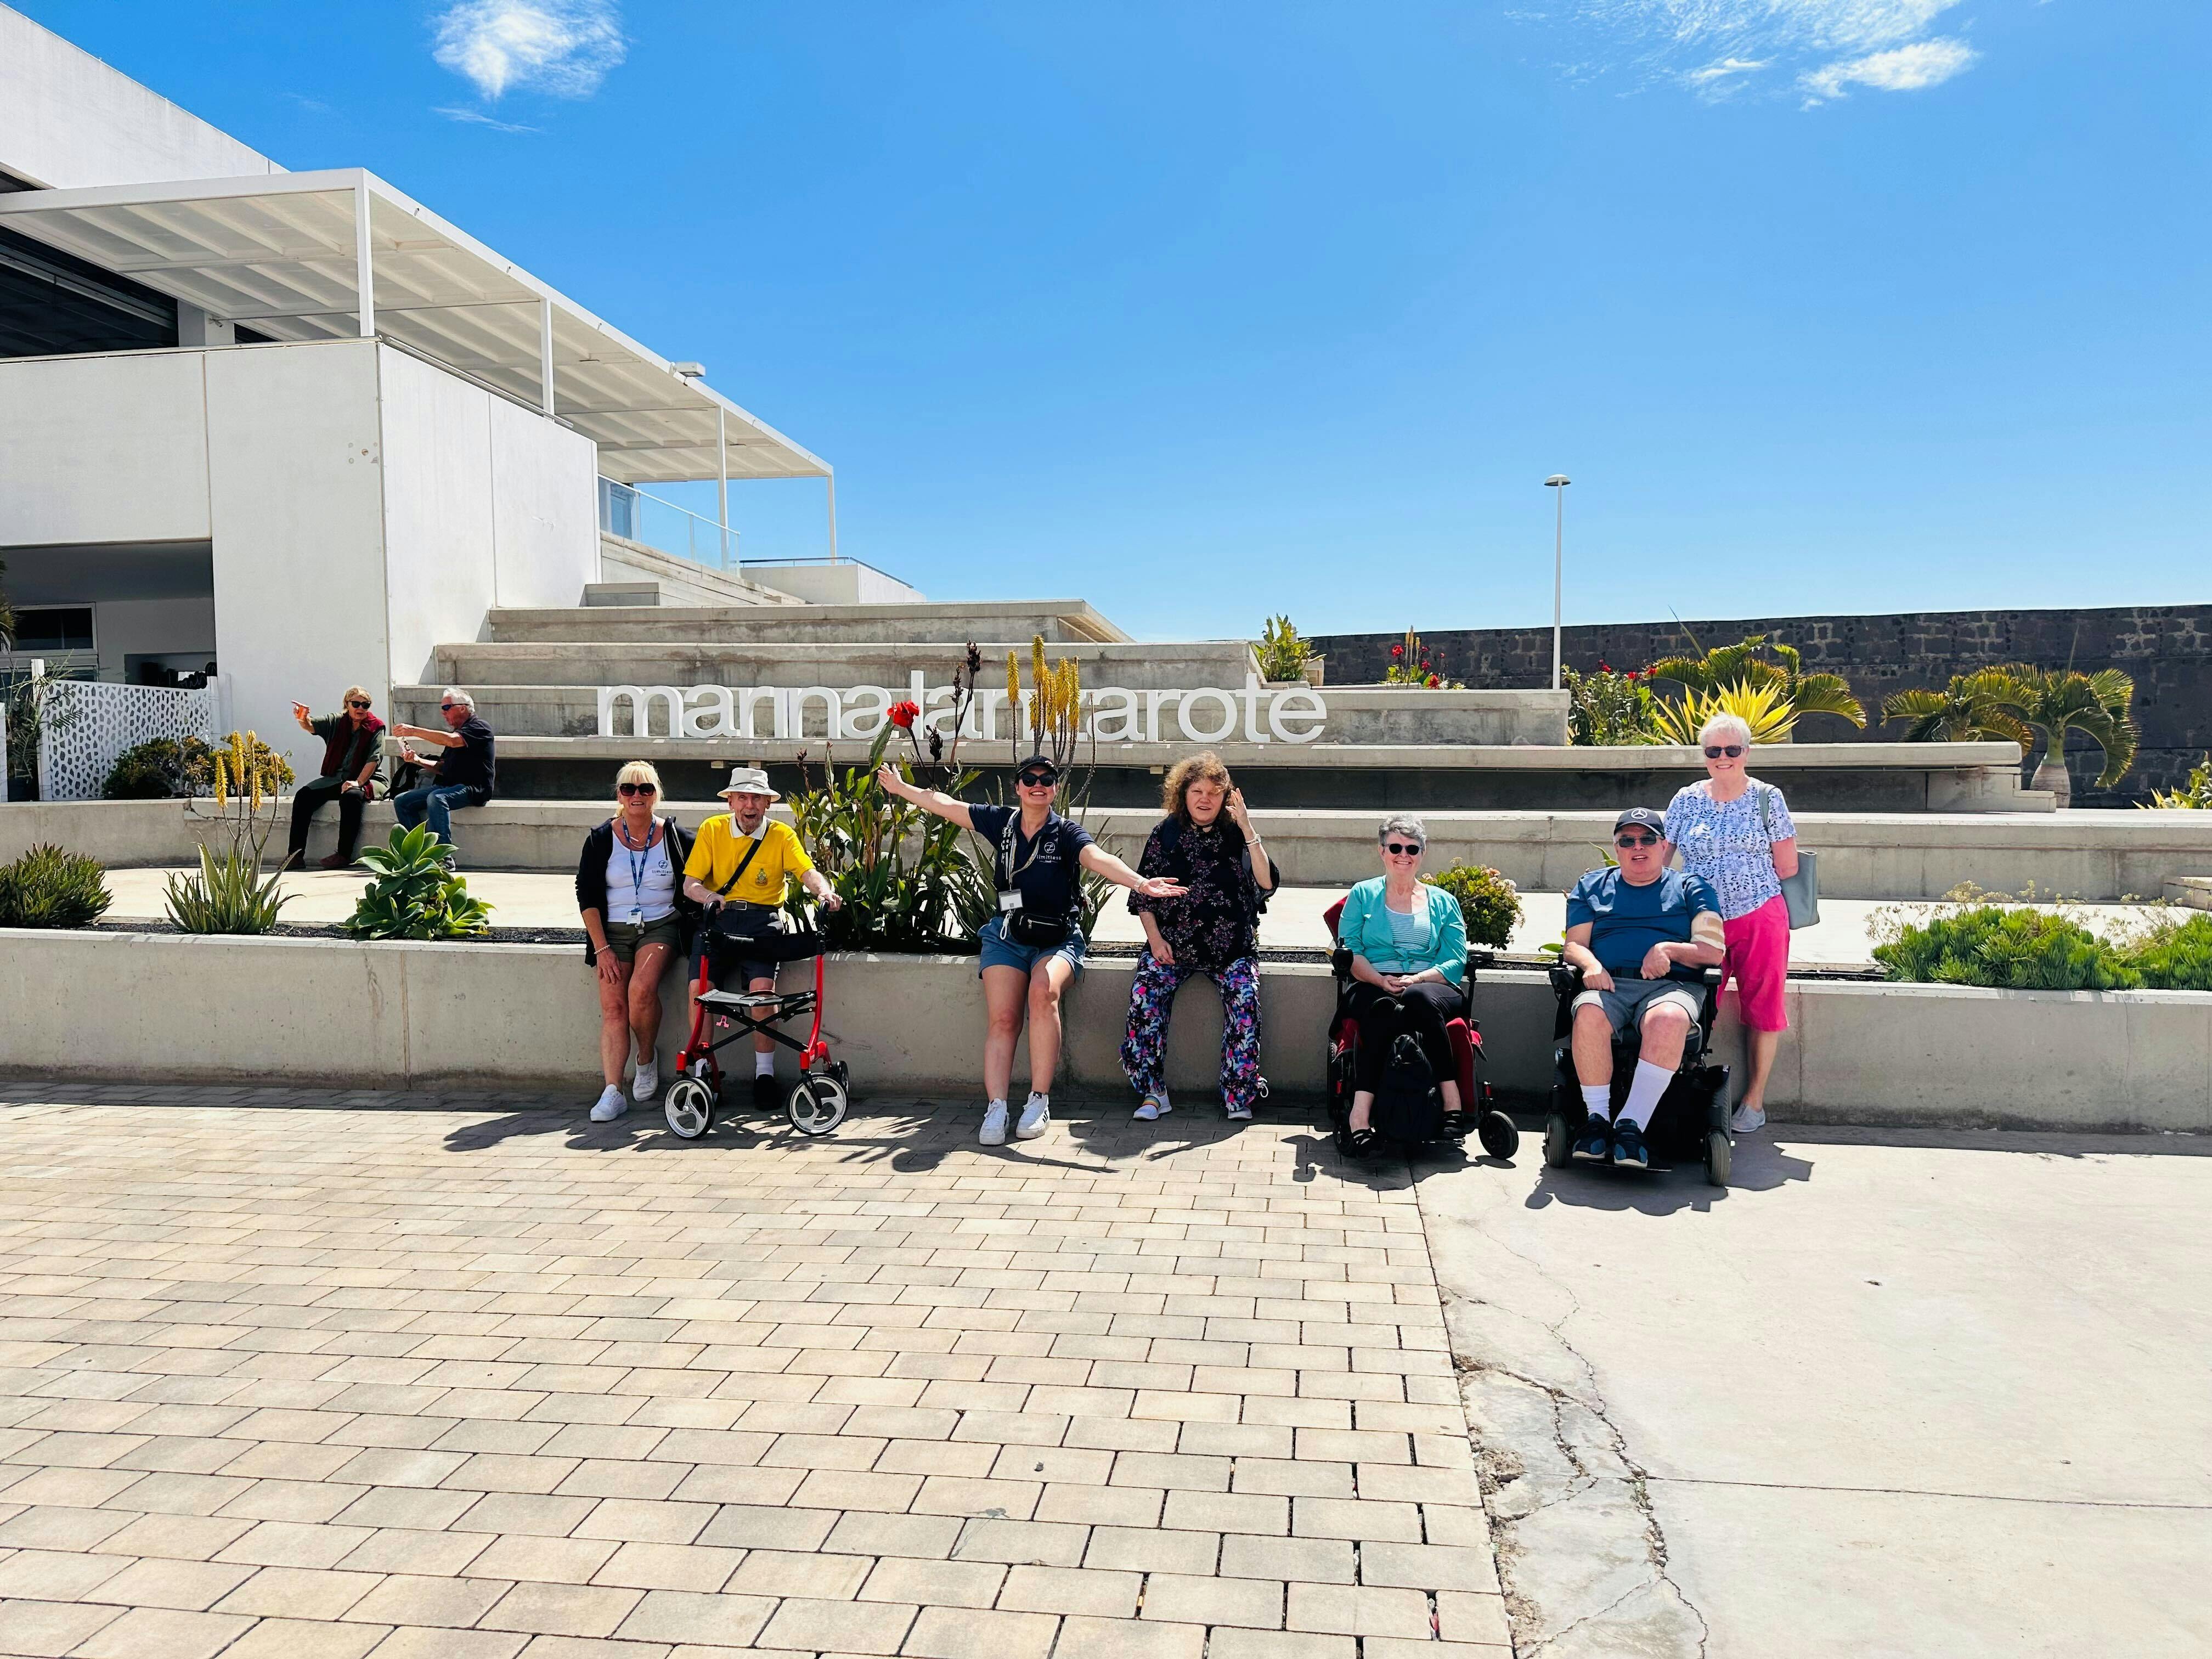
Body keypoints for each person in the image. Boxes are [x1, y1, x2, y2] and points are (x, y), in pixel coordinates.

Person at [875, 754, 1186, 1146]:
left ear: (1055, 788)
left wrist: (1140, 884)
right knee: (1004, 1018)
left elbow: (1097, 858)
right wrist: (902, 789)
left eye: (1047, 779)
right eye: (1030, 779)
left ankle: (1039, 1101)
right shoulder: (1000, 823)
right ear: (1018, 787)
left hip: (1057, 939)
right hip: (1008, 934)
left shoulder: (1066, 833)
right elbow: (947, 805)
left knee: (1043, 991)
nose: (1038, 785)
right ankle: (998, 1106)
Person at [1561, 807, 1725, 1170]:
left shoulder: (1692, 888)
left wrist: (1668, 949)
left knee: (1667, 1020)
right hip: (1610, 984)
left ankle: (1630, 1125)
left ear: (1664, 845)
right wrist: (1590, 965)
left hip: (1673, 985)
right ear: (1617, 847)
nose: (1639, 846)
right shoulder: (1591, 886)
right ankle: (1597, 1122)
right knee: (1588, 1013)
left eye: (1648, 838)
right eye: (1628, 840)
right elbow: (1574, 945)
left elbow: (1714, 951)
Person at [1120, 753, 1275, 1124]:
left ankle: (1239, 1093)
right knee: (1145, 997)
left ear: (1225, 798)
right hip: (1173, 946)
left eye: (1214, 792)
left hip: (1231, 950)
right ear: (1183, 793)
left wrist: (1248, 828)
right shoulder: (1166, 833)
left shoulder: (1237, 833)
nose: (1205, 799)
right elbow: (1143, 893)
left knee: (1246, 1000)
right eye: (1197, 791)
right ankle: (1153, 1092)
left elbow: (1267, 883)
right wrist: (1155, 941)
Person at [1664, 713, 1799, 1135]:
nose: (1723, 758)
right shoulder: (1686, 800)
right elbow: (1660, 860)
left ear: (1746, 752)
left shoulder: (1767, 797)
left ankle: (1754, 1100)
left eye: (1732, 750)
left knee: (1764, 1006)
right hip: (1703, 923)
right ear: (1704, 755)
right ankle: (1685, 1095)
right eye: (1713, 751)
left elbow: (1788, 863)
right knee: (1696, 1005)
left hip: (1760, 916)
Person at [681, 765, 844, 1111]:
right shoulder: (712, 830)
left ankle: (764, 1075)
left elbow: (807, 872)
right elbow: (690, 885)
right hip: (721, 918)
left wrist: (825, 893)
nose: (749, 805)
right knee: (699, 989)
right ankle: (701, 1072)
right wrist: (709, 898)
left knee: (762, 993)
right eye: (742, 797)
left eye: (756, 798)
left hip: (762, 921)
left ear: (768, 804)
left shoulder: (782, 835)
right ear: (731, 803)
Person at [1333, 815, 1472, 1158]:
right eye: (1395, 847)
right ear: (1382, 851)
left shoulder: (1443, 901)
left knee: (1418, 998)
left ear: (1422, 853)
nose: (1403, 855)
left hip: (1433, 984)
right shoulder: (1363, 895)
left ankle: (1452, 1100)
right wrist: (1381, 980)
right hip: (1372, 981)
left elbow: (1456, 959)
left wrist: (1419, 979)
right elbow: (1350, 951)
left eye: (1412, 848)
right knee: (1381, 1009)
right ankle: (1360, 1116)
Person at [577, 762, 694, 1123]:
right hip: (611, 932)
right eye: (629, 789)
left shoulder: (676, 837)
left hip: (660, 926)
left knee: (641, 990)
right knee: (614, 1006)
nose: (637, 796)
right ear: (619, 795)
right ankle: (613, 1091)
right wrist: (602, 948)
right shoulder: (600, 838)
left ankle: (646, 1058)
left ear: (657, 794)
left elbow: (699, 878)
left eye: (645, 789)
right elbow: (587, 895)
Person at [284, 687, 384, 869]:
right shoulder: (337, 721)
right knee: (303, 796)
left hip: (370, 779)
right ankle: (295, 856)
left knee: (351, 797)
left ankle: (344, 855)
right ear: (347, 704)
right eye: (356, 704)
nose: (361, 708)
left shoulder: (376, 726)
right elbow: (310, 725)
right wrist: (302, 717)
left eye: (365, 705)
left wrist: (358, 782)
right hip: (337, 778)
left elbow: (374, 759)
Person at [390, 688, 495, 852]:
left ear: (463, 707)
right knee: (402, 801)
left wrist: (413, 731)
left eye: (446, 708)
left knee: (437, 798)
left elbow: (452, 741)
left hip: (472, 788)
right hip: (448, 786)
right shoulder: (456, 733)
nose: (443, 713)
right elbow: (441, 768)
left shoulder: (480, 728)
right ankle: (418, 853)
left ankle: (444, 855)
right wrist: (417, 760)